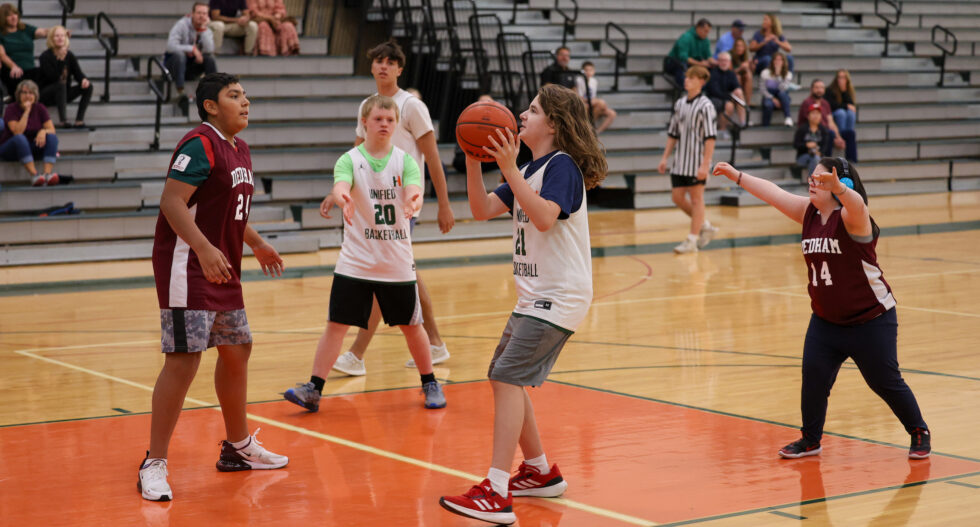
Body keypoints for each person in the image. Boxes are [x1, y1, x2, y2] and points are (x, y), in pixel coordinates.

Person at [439, 83, 606, 526]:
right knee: (505, 376)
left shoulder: (562, 165)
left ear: (553, 123)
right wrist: (475, 162)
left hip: (559, 295)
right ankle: (538, 470)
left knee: (506, 375)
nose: (521, 115)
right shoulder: (530, 167)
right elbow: (479, 210)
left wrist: (511, 169)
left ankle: (495, 490)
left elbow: (547, 216)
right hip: (534, 296)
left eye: (531, 110)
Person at [711, 157, 931, 461]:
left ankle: (919, 431)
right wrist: (736, 175)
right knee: (813, 377)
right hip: (826, 321)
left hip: (871, 319)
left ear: (839, 185)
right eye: (811, 177)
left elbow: (856, 205)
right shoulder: (808, 213)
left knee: (884, 381)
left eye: (820, 179)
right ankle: (810, 440)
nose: (812, 182)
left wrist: (840, 187)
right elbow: (773, 193)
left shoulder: (853, 217)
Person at [139, 72, 289, 502]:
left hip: (222, 266)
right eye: (234, 95)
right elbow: (172, 203)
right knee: (184, 362)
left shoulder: (239, 149)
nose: (245, 102)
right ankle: (155, 461)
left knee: (238, 349)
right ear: (210, 105)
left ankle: (238, 448)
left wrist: (257, 243)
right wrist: (203, 248)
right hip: (189, 266)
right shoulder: (199, 144)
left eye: (246, 95)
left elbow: (229, 210)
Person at [283, 95, 447, 412]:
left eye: (390, 120)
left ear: (396, 124)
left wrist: (413, 202)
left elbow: (414, 189)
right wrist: (344, 199)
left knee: (412, 326)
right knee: (336, 324)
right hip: (356, 261)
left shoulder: (406, 161)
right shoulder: (349, 159)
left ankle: (430, 381)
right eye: (378, 119)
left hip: (396, 261)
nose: (384, 124)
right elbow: (341, 185)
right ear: (365, 123)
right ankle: (313, 389)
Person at [314, 40, 455, 379]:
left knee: (386, 272)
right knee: (401, 272)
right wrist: (339, 189)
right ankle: (433, 343)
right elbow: (356, 152)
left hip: (402, 203)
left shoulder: (411, 106)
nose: (383, 66)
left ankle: (358, 353)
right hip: (369, 204)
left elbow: (432, 157)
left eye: (390, 61)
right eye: (378, 60)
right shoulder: (368, 105)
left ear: (400, 69)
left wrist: (443, 204)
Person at [658, 65, 718, 254]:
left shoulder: (706, 106)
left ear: (701, 81)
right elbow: (673, 133)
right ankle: (705, 226)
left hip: (696, 162)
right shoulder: (680, 103)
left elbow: (710, 138)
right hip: (680, 161)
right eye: (686, 78)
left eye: (691, 78)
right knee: (676, 197)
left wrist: (705, 164)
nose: (686, 81)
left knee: (696, 199)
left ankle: (692, 240)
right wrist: (665, 157)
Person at [0, 80, 58, 186]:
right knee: (20, 138)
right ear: (18, 94)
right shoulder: (11, 109)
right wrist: (26, 112)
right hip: (10, 148)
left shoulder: (40, 108)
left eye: (31, 93)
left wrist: (43, 131)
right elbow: (17, 131)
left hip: (31, 146)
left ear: (35, 95)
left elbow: (52, 129)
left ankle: (47, 174)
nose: (28, 96)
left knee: (52, 137)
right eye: (24, 93)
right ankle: (34, 175)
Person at [37, 25, 92, 129]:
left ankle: (79, 120)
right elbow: (53, 78)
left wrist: (84, 80)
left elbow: (78, 73)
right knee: (60, 84)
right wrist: (61, 60)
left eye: (62, 35)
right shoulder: (45, 56)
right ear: (51, 39)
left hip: (63, 93)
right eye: (57, 36)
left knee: (89, 86)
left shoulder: (69, 55)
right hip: (47, 94)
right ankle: (63, 121)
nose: (60, 38)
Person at [165, 3, 218, 101]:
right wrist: (192, 49)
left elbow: (210, 49)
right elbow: (170, 46)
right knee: (180, 55)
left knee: (209, 59)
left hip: (190, 67)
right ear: (192, 14)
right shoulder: (182, 24)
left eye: (204, 14)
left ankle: (214, 92)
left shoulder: (206, 29)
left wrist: (203, 30)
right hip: (173, 66)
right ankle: (180, 90)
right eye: (199, 13)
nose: (201, 16)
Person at [0, 3, 50, 98]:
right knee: (18, 78)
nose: (13, 17)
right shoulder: (1, 34)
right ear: (3, 18)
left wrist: (58, 32)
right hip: (13, 70)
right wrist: (13, 66)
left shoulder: (24, 28)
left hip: (30, 70)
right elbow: (2, 55)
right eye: (9, 16)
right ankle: (13, 97)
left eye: (15, 14)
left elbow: (42, 32)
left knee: (49, 74)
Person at [797, 79, 855, 161]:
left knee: (850, 133)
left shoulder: (825, 103)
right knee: (828, 133)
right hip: (813, 133)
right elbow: (814, 123)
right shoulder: (807, 103)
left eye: (821, 88)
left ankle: (851, 162)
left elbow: (831, 122)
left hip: (827, 131)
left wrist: (838, 137)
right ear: (812, 89)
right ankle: (826, 162)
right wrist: (833, 137)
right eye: (816, 87)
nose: (819, 90)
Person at [664, 18, 715, 88]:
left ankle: (707, 90)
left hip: (693, 64)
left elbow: (708, 56)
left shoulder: (705, 40)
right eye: (705, 31)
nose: (707, 34)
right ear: (698, 28)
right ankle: (685, 89)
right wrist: (700, 63)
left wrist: (716, 63)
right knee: (682, 66)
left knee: (714, 69)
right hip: (675, 63)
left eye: (708, 32)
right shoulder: (686, 37)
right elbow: (683, 57)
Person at [705, 52, 746, 131]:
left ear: (729, 62)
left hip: (726, 97)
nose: (724, 63)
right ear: (718, 61)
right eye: (722, 60)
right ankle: (722, 129)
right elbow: (714, 91)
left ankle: (743, 121)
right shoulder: (713, 73)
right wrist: (729, 96)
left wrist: (736, 91)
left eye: (726, 60)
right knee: (729, 105)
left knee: (739, 92)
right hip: (713, 99)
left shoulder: (731, 73)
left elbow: (736, 86)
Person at [575, 61, 617, 134]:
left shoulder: (594, 81)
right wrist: (595, 102)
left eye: (590, 70)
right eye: (586, 70)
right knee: (601, 103)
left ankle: (596, 132)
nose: (588, 72)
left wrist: (595, 102)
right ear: (582, 71)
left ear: (594, 71)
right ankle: (589, 127)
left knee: (612, 113)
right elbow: (579, 97)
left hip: (591, 103)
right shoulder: (578, 80)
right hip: (582, 103)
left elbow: (593, 96)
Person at [794, 102, 835, 177]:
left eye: (818, 113)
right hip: (803, 157)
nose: (815, 116)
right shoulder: (802, 129)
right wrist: (806, 145)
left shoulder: (823, 130)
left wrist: (819, 153)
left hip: (819, 156)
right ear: (808, 116)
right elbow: (796, 144)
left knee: (822, 160)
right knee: (815, 158)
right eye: (813, 113)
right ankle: (813, 182)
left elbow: (825, 147)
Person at [828, 69, 857, 159]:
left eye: (844, 78)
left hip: (842, 113)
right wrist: (846, 106)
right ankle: (841, 137)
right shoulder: (830, 90)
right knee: (841, 113)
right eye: (839, 77)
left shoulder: (848, 91)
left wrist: (844, 91)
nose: (841, 80)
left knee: (851, 114)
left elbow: (851, 105)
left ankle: (847, 138)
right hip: (833, 114)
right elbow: (832, 105)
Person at [760, 52, 793, 127]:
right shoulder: (765, 73)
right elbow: (762, 89)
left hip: (781, 95)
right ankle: (765, 125)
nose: (778, 62)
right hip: (769, 95)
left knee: (783, 94)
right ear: (772, 61)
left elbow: (782, 89)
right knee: (768, 105)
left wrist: (778, 75)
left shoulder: (788, 74)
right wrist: (773, 99)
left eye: (780, 60)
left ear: (783, 62)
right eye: (776, 60)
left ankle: (788, 117)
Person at [730, 38, 753, 118]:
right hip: (730, 82)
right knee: (737, 77)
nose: (740, 48)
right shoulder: (729, 55)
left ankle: (747, 104)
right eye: (738, 46)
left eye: (742, 46)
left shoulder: (745, 57)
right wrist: (740, 68)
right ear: (734, 47)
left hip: (743, 81)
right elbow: (729, 73)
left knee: (748, 75)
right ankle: (739, 102)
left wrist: (751, 65)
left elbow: (750, 72)